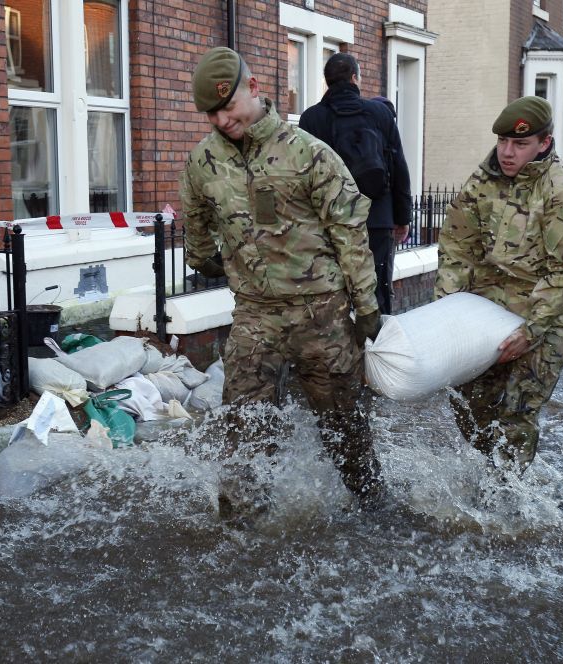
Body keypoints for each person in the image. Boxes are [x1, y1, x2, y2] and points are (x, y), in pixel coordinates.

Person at [179, 47, 386, 520]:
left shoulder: (307, 152)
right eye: (211, 113)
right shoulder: (202, 162)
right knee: (244, 426)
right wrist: (206, 260)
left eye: (227, 108)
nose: (221, 120)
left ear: (253, 88)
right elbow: (195, 222)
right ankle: (242, 529)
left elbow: (348, 231)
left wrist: (366, 306)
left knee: (344, 424)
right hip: (255, 315)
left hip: (322, 314)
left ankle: (372, 504)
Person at [435, 96, 563, 475]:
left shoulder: (561, 192)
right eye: (503, 142)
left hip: (555, 312)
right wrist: (447, 309)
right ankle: (495, 469)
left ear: (544, 143)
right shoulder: (483, 181)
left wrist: (532, 331)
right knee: (468, 400)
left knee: (517, 408)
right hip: (494, 303)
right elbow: (458, 245)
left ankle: (510, 504)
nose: (507, 153)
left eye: (520, 144)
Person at [298, 53, 412, 315]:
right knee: (377, 293)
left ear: (327, 82)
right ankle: (378, 350)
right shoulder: (380, 113)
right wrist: (402, 216)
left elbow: (302, 176)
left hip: (329, 224)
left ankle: (337, 352)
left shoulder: (311, 120)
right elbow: (399, 167)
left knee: (331, 293)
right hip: (377, 219)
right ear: (355, 78)